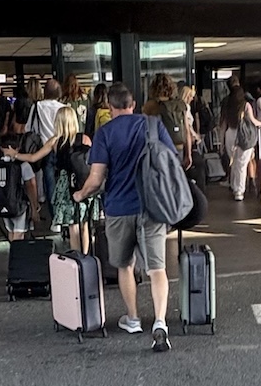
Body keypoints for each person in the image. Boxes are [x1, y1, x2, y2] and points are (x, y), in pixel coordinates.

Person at [72, 83, 177, 353]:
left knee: (125, 265)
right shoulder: (153, 125)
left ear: (110, 106)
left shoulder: (105, 133)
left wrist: (80, 195)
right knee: (157, 268)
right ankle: (161, 322)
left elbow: (95, 179)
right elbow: (170, 160)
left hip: (119, 208)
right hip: (152, 207)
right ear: (133, 104)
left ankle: (133, 319)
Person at [6, 106, 94, 250]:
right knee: (84, 224)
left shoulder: (54, 141)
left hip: (65, 185)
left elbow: (33, 157)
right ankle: (85, 258)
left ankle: (76, 260)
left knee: (73, 226)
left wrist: (14, 154)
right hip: (84, 183)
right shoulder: (85, 139)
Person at [218, 85, 261, 201]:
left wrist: (221, 143)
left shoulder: (227, 105)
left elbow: (223, 125)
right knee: (242, 164)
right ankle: (239, 191)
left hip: (230, 134)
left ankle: (234, 186)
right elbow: (253, 120)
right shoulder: (245, 105)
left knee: (233, 163)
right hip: (244, 135)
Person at [28, 78, 65, 224]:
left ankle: (55, 218)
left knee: (49, 183)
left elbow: (29, 128)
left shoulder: (37, 106)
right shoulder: (64, 107)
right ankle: (65, 216)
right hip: (62, 147)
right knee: (64, 180)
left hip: (44, 148)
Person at [142, 73, 192, 169]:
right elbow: (187, 130)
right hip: (179, 148)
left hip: (160, 149)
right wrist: (188, 154)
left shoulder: (150, 106)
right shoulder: (180, 105)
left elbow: (145, 128)